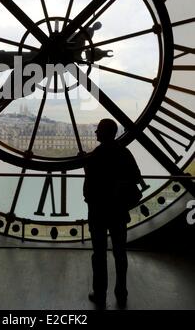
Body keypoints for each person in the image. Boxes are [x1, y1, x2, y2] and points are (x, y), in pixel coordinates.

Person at [83, 118, 142, 309]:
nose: (95, 133)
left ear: (104, 133)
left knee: (99, 255)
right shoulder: (124, 153)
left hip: (98, 212)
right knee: (120, 253)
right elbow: (136, 177)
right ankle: (121, 291)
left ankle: (100, 293)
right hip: (117, 211)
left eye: (98, 130)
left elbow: (90, 185)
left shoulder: (95, 157)